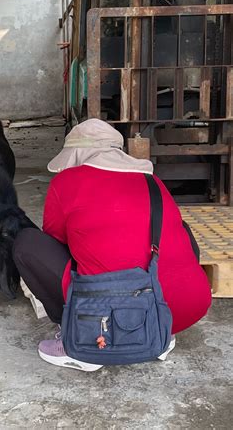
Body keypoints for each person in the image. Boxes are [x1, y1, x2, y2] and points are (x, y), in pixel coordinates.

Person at [13, 119, 212, 371]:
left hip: (106, 318)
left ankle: (78, 338)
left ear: (77, 155)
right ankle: (159, 334)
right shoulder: (153, 182)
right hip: (185, 308)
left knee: (27, 243)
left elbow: (55, 242)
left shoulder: (66, 183)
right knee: (179, 230)